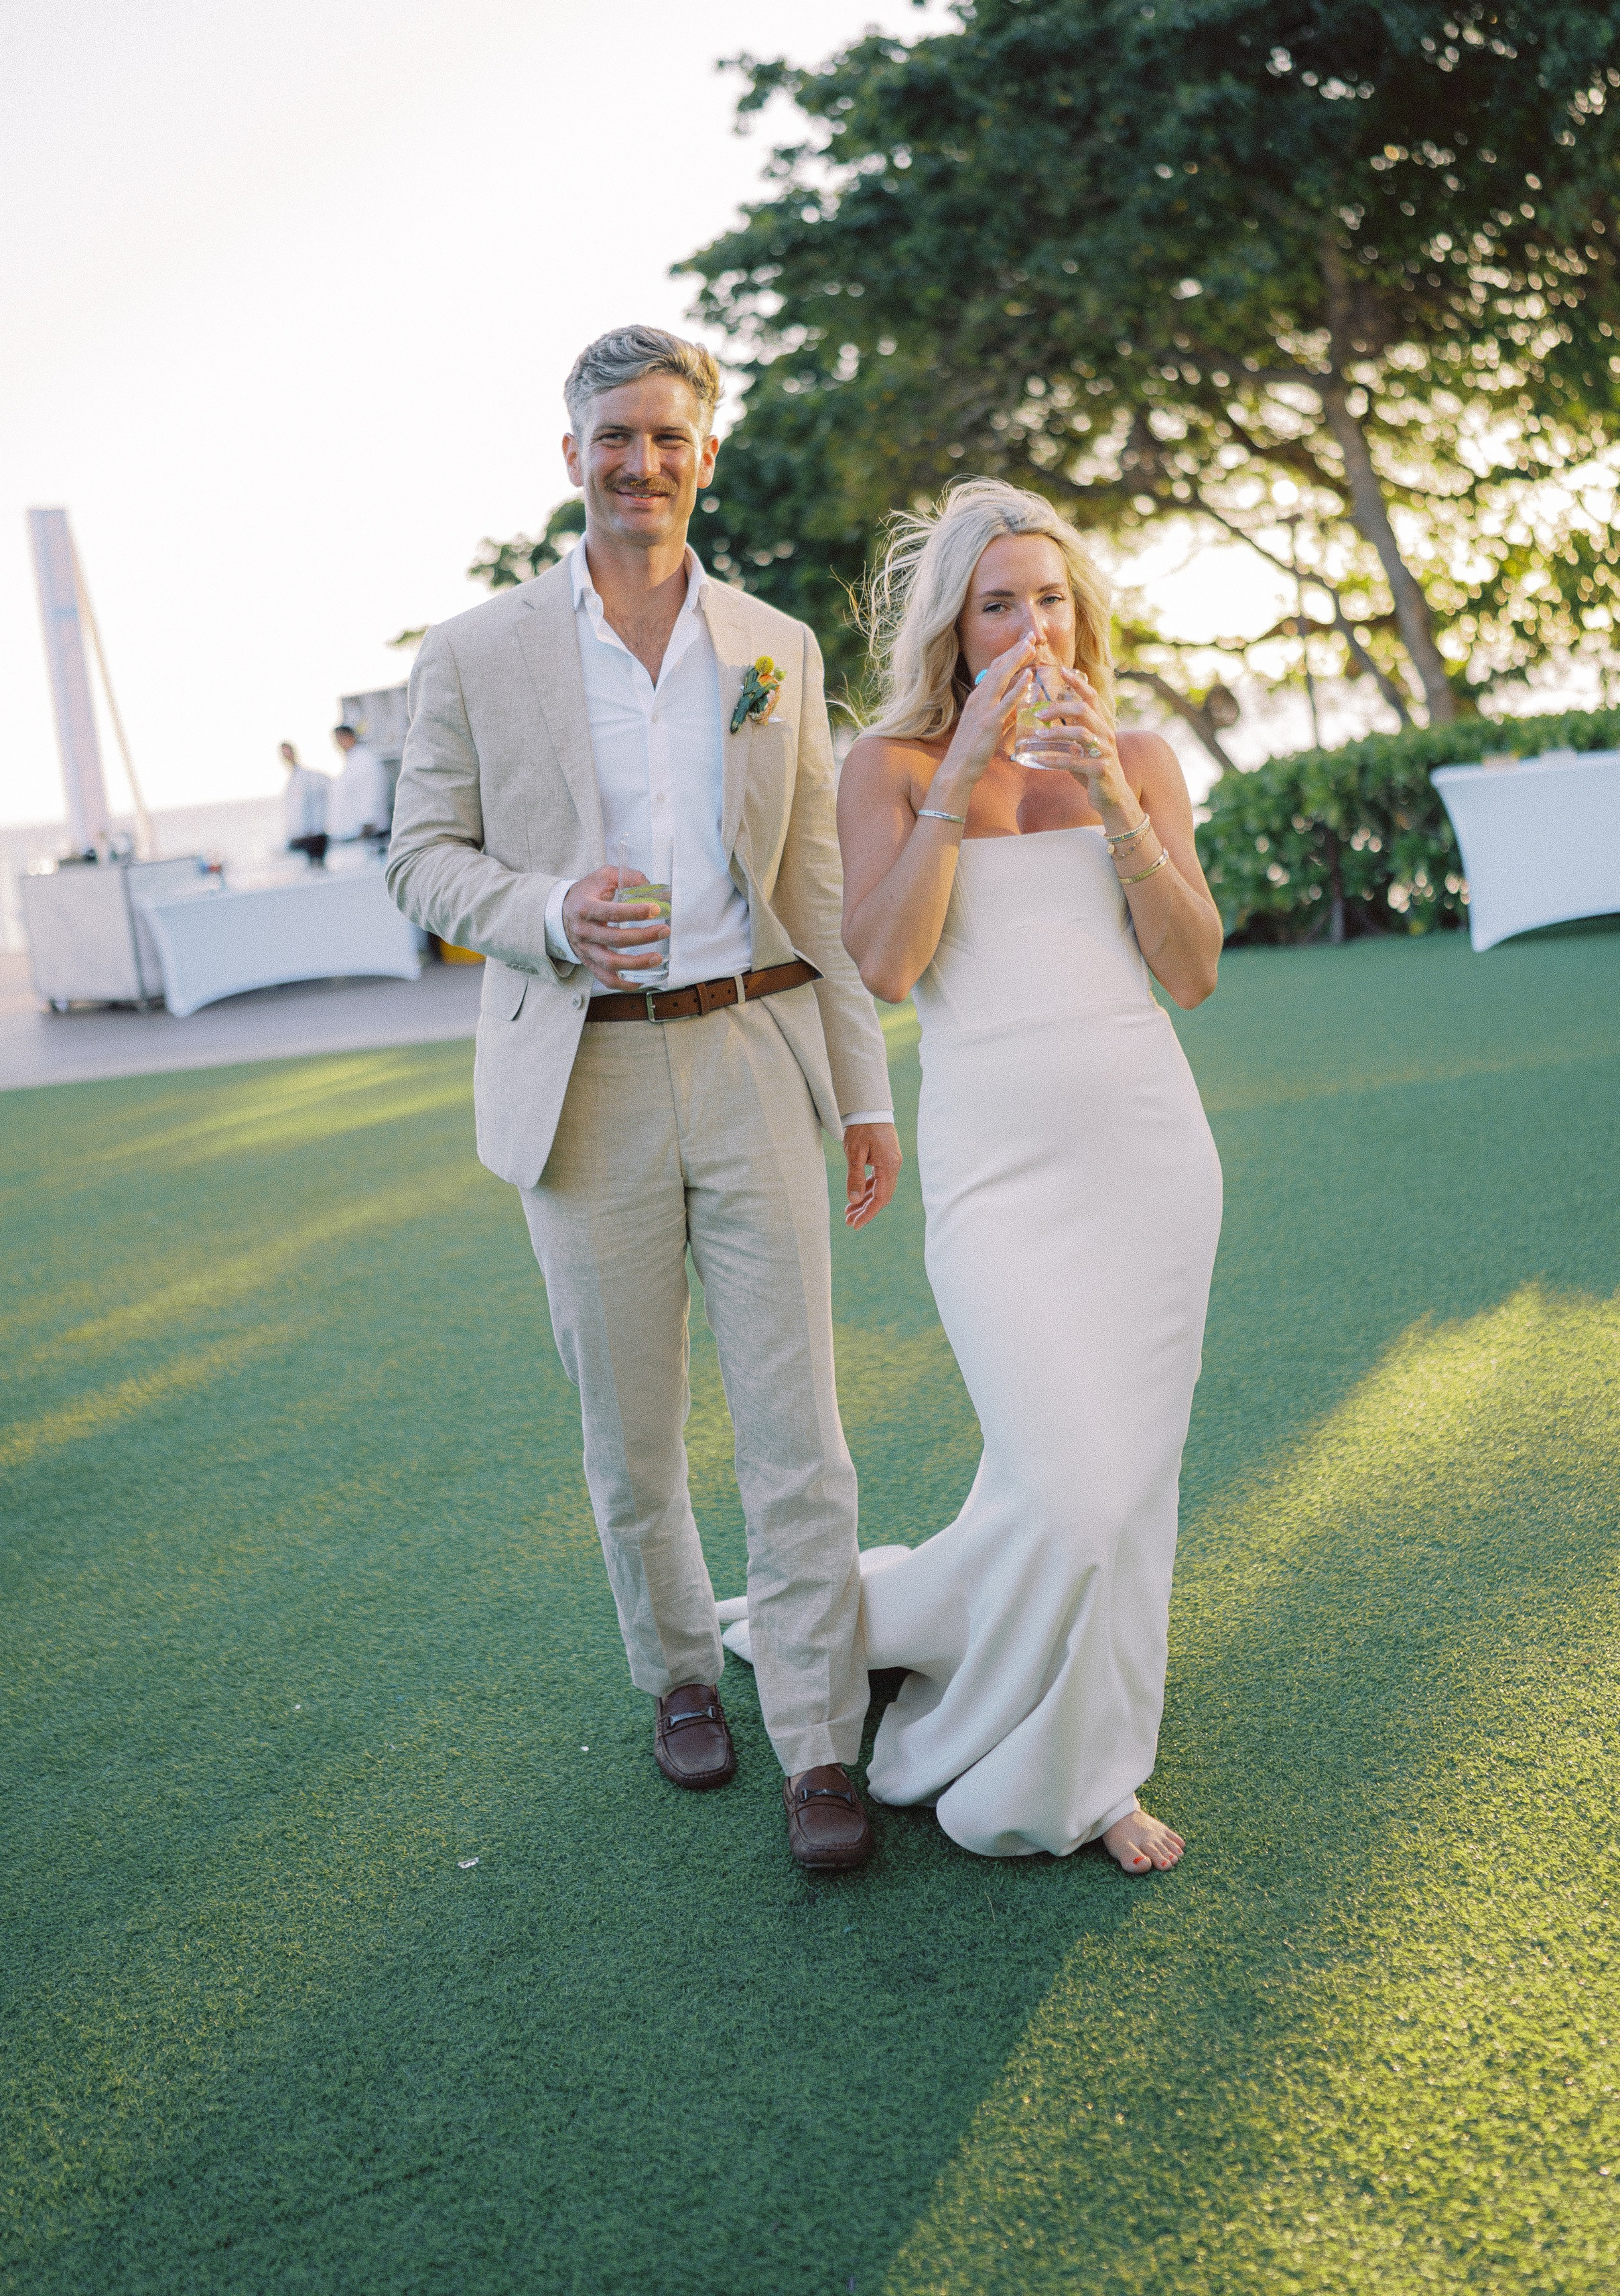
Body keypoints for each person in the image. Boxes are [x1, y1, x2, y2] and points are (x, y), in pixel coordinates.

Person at [386, 324, 900, 1873]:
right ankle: (681, 1670)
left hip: (755, 1054)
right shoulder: (472, 653)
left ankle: (816, 1737)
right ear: (571, 456)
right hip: (583, 1073)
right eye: (613, 435)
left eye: (668, 435)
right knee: (632, 1432)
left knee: (799, 1429)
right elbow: (418, 857)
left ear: (704, 453)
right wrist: (544, 909)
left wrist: (862, 1088)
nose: (640, 460)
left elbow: (814, 883)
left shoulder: (776, 647)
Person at [720, 478, 1224, 1873]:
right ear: (954, 623)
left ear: (1080, 610)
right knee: (1065, 1486)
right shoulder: (882, 764)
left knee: (1121, 1490)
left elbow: (1189, 969)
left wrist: (1114, 794)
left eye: (1048, 597)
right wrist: (957, 779)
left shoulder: (1140, 754)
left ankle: (1088, 1770)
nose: (1028, 625)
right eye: (997, 602)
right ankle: (882, 1630)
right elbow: (882, 963)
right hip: (998, 1171)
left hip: (1148, 1161)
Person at [326, 723, 392, 846]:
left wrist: (368, 822)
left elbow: (373, 792)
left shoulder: (365, 759)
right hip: (353, 835)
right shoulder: (352, 760)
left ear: (350, 737)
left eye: (340, 739)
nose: (338, 744)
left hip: (368, 833)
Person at [279, 740, 330, 866]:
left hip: (313, 837)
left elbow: (308, 807)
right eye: (284, 754)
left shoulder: (308, 777)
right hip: (303, 837)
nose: (287, 757)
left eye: (288, 753)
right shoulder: (292, 780)